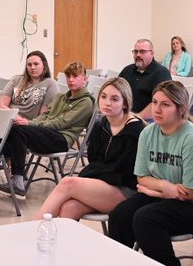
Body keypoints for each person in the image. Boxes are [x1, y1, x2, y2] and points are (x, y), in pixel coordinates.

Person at [108, 80, 193, 266]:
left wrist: (162, 191)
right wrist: (165, 189)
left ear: (181, 109)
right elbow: (141, 178)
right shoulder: (148, 132)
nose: (156, 109)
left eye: (165, 105)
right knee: (120, 215)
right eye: (155, 102)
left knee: (145, 219)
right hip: (165, 195)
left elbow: (191, 192)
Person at [37, 77, 144, 221]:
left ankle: (33, 232)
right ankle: (59, 243)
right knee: (69, 208)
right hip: (101, 183)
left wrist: (94, 177)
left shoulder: (136, 131)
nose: (107, 103)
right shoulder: (101, 125)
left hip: (126, 190)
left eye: (115, 99)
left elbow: (125, 173)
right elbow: (94, 160)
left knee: (67, 183)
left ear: (125, 103)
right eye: (104, 97)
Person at [0, 62, 95, 200]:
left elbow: (60, 123)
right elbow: (45, 115)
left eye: (75, 76)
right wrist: (29, 123)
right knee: (3, 128)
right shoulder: (61, 97)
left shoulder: (86, 102)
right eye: (68, 76)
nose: (71, 80)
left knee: (19, 131)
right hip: (47, 133)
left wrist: (29, 123)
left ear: (85, 79)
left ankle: (18, 184)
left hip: (61, 139)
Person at [118, 39, 172, 116]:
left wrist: (137, 118)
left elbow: (159, 103)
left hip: (146, 120)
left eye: (142, 51)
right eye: (135, 52)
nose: (138, 55)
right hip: (124, 115)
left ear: (152, 53)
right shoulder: (127, 70)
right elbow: (116, 91)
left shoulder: (161, 73)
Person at [0, 50, 58, 119]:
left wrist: (25, 122)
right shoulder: (16, 79)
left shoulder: (50, 84)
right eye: (29, 65)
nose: (32, 67)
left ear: (44, 65)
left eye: (36, 64)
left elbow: (43, 116)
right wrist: (15, 117)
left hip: (29, 124)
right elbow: (2, 105)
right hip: (9, 118)